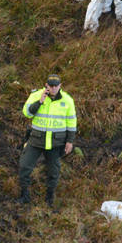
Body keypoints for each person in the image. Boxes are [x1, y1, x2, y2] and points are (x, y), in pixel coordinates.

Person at [18, 75, 77, 207]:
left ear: (60, 86)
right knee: (24, 166)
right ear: (46, 85)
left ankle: (49, 198)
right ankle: (24, 195)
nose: (53, 88)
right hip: (36, 140)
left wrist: (70, 141)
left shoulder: (67, 100)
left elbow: (71, 122)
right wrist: (39, 101)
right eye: (51, 85)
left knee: (54, 171)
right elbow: (27, 113)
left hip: (56, 143)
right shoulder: (36, 95)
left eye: (56, 85)